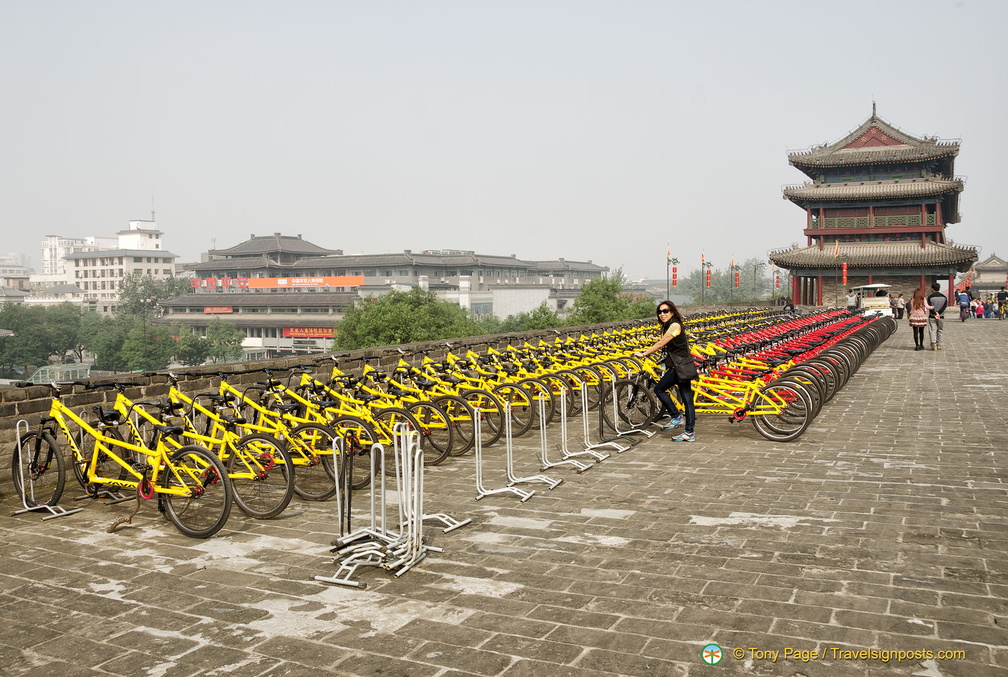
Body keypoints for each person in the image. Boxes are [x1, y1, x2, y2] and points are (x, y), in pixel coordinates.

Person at [634, 300, 698, 442]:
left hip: (679, 367)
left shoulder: (674, 325)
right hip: (682, 365)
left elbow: (661, 343)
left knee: (659, 389)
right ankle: (689, 432)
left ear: (672, 312)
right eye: (660, 312)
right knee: (687, 400)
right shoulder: (670, 325)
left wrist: (645, 353)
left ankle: (676, 416)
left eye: (665, 311)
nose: (662, 314)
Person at [926, 282, 947, 350]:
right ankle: (939, 344)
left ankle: (933, 345)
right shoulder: (944, 297)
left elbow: (929, 306)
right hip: (941, 316)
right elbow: (944, 306)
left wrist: (934, 313)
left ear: (932, 289)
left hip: (932, 316)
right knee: (940, 330)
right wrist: (939, 313)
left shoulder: (930, 297)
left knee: (932, 330)